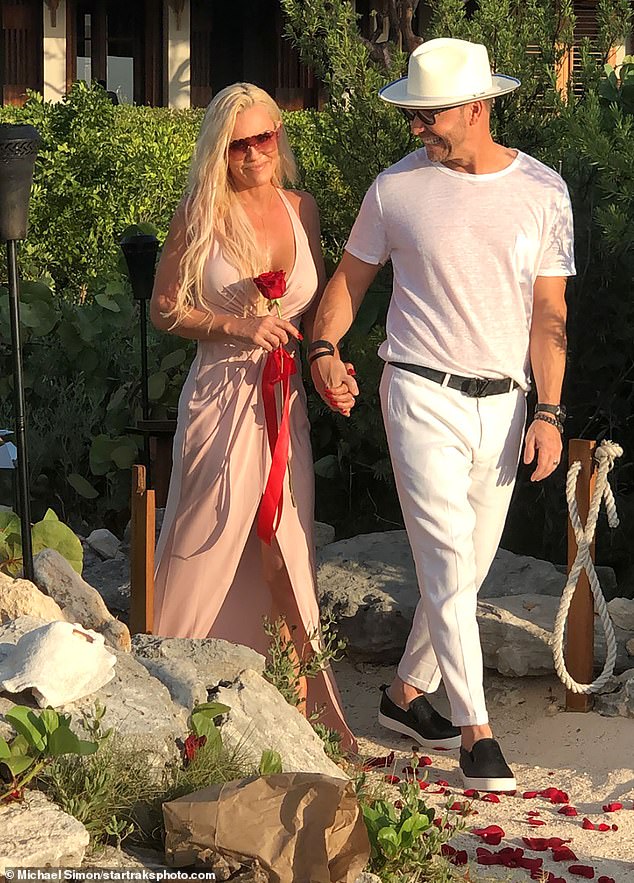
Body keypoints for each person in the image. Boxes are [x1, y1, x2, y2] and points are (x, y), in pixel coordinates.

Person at [309, 38, 575, 790]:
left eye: (430, 115)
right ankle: (476, 734)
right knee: (449, 563)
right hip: (418, 390)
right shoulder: (394, 188)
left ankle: (402, 697)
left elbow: (550, 313)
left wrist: (550, 410)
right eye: (414, 115)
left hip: (507, 403)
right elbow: (349, 281)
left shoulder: (544, 190)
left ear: (478, 107)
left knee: (466, 567)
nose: (417, 127)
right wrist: (323, 348)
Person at [149, 82, 356, 752]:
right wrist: (236, 325)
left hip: (285, 399)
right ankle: (167, 695)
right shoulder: (200, 212)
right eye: (238, 144)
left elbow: (317, 315)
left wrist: (329, 365)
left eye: (264, 137)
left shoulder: (302, 208)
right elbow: (163, 309)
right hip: (220, 396)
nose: (253, 153)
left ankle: (295, 705)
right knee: (205, 539)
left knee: (287, 543)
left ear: (279, 137)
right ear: (219, 150)